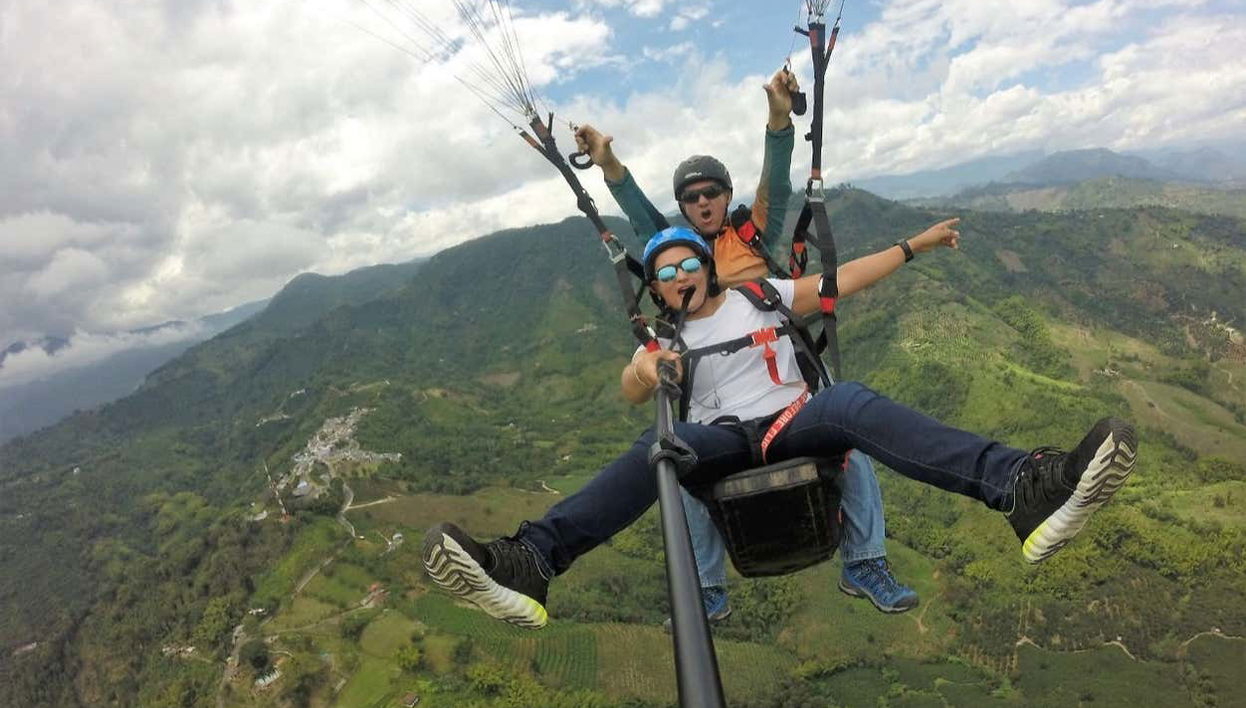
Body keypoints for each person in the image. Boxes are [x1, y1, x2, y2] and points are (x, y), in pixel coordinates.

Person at [421, 227, 1138, 630]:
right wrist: (651, 373)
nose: (676, 276)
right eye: (663, 271)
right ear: (656, 288)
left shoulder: (761, 296)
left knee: (850, 402)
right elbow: (632, 384)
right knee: (659, 448)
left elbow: (847, 280)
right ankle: (531, 563)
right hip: (722, 441)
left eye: (685, 263)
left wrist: (913, 246)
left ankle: (1020, 485)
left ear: (705, 268)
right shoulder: (664, 338)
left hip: (795, 420)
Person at [575, 68, 929, 618]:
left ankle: (865, 561)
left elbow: (778, 181)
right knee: (683, 462)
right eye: (690, 198)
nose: (702, 202)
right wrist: (607, 163)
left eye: (711, 192)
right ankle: (709, 589)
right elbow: (641, 214)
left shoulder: (752, 232)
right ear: (684, 209)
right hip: (715, 378)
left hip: (776, 361)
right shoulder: (677, 253)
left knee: (850, 444)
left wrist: (779, 118)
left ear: (726, 195)